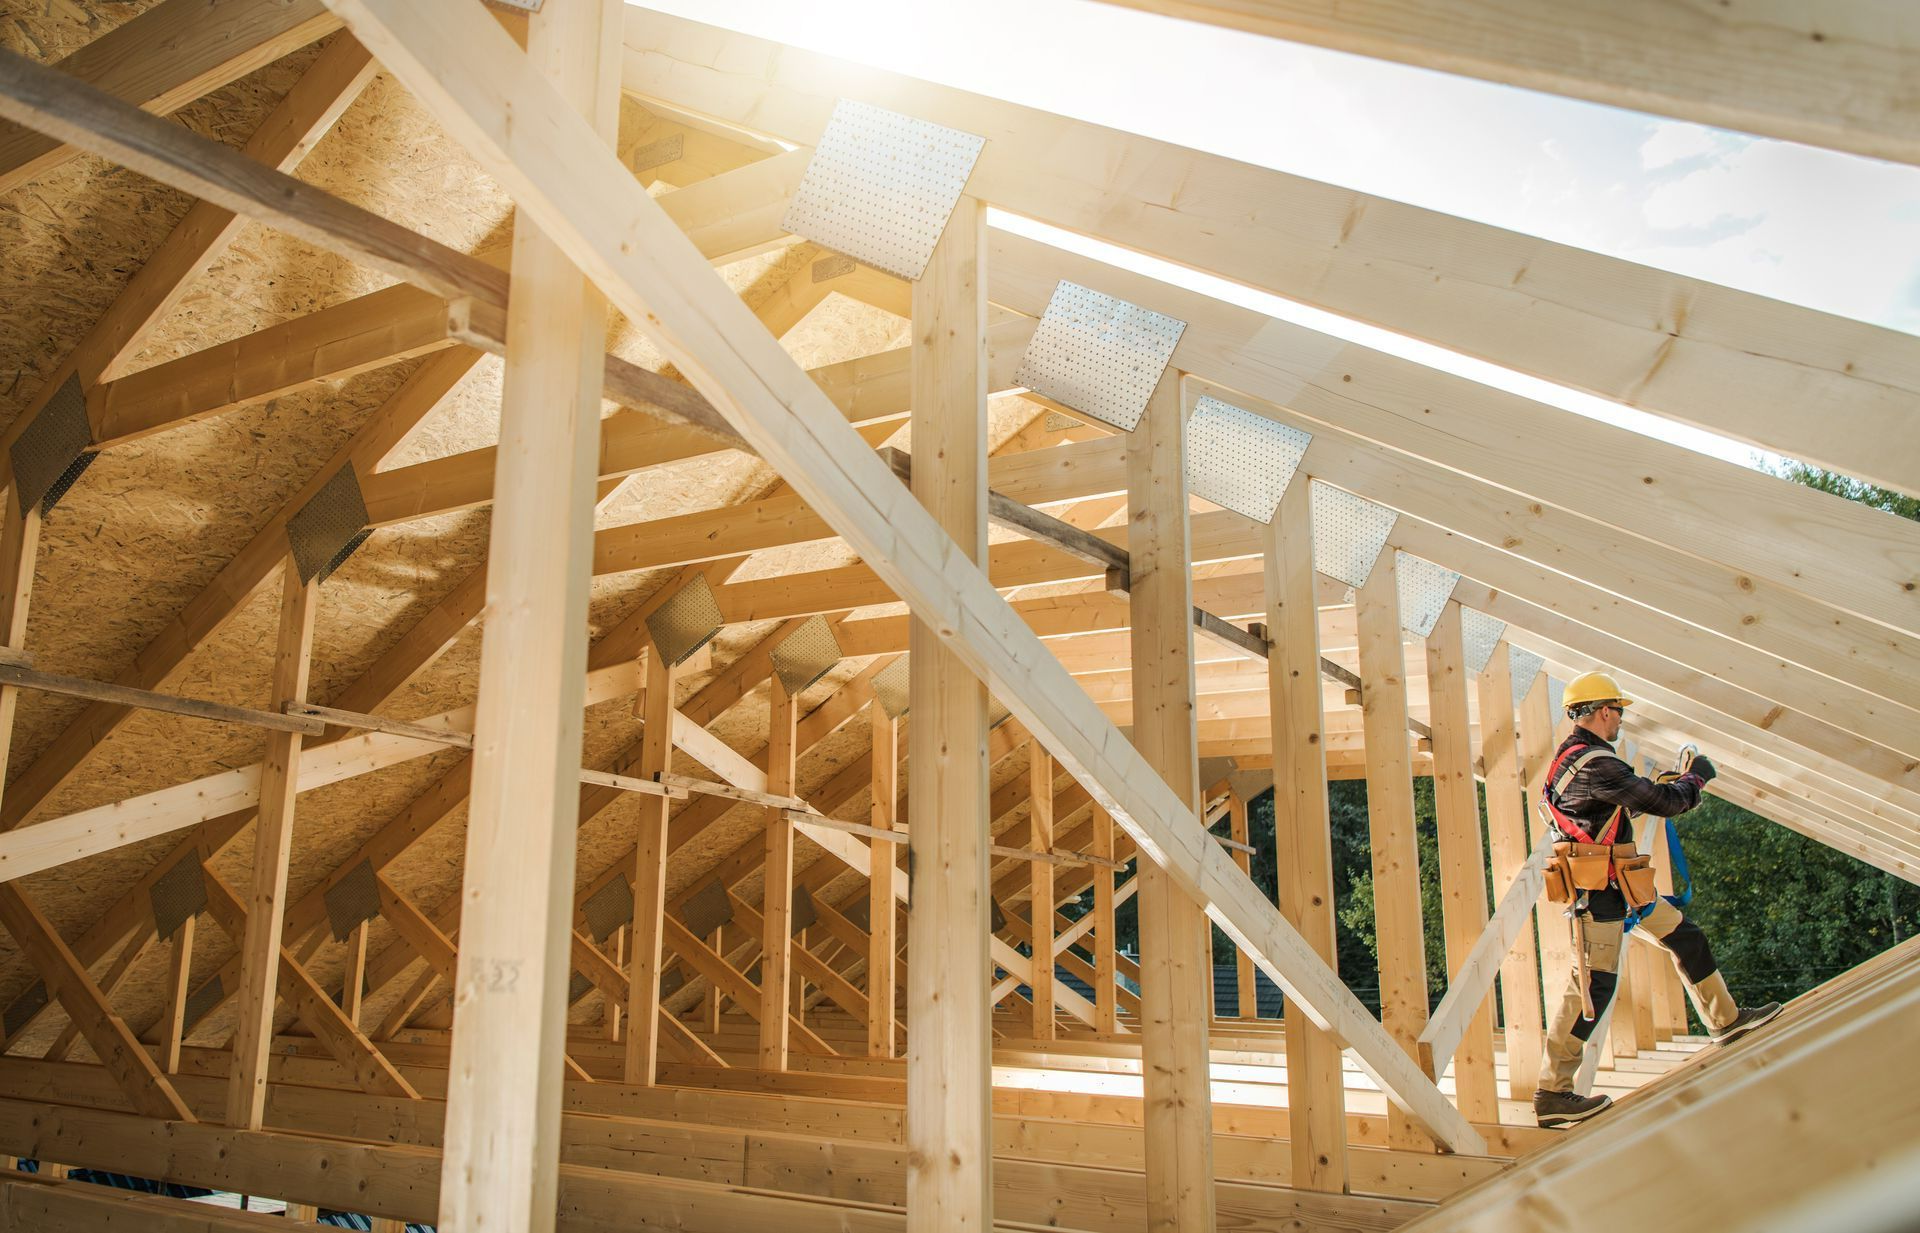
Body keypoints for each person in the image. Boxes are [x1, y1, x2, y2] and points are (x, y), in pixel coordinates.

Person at [1532, 671, 1783, 1129]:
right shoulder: (1597, 764)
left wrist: (1651, 790)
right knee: (1592, 987)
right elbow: (1666, 803)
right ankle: (1552, 1092)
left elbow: (1612, 807)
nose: (1622, 720)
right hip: (1602, 893)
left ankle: (1725, 1021)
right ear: (1604, 711)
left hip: (1620, 884)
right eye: (1619, 712)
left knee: (1686, 936)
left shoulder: (1572, 759)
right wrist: (1696, 779)